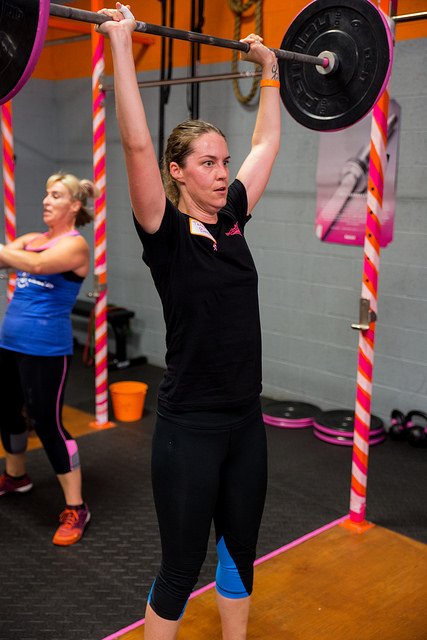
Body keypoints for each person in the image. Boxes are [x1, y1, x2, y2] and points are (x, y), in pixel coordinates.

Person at [98, 4, 281, 638]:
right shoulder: (165, 233)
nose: (223, 172)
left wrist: (270, 70)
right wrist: (122, 45)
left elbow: (266, 144)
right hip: (190, 426)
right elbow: (136, 144)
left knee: (239, 555)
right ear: (177, 172)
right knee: (181, 569)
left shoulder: (232, 217)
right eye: (208, 162)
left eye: (224, 161)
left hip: (245, 420)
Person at [0, 172, 98, 546]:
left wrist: (9, 253)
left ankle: (76, 507)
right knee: (7, 412)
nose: (46, 200)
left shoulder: (75, 247)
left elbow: (37, 266)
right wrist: (10, 253)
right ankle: (16, 476)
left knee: (47, 423)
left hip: (46, 350)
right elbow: (10, 258)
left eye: (55, 195)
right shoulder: (31, 240)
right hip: (9, 344)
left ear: (74, 205)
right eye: (46, 194)